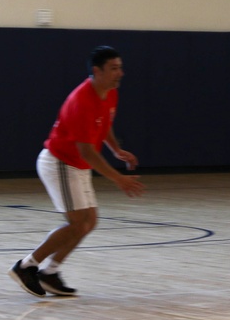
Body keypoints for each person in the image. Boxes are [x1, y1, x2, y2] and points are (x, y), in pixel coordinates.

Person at [8, 46, 145, 298]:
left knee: (89, 222)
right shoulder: (81, 101)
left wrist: (116, 150)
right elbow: (88, 152)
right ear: (97, 71)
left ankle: (50, 272)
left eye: (120, 67)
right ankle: (26, 266)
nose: (120, 73)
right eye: (114, 68)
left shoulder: (109, 94)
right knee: (77, 223)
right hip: (60, 162)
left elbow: (105, 125)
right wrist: (118, 179)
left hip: (76, 165)